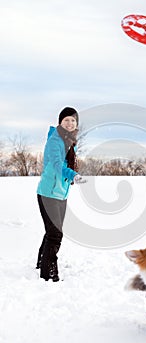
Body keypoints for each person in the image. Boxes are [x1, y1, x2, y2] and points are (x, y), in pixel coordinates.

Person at [36, 107, 82, 282]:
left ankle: (42, 262)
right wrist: (73, 175)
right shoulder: (55, 141)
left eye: (73, 120)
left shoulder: (69, 140)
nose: (70, 123)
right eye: (66, 120)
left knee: (52, 233)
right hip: (48, 194)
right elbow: (57, 164)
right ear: (60, 122)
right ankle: (48, 273)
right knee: (55, 234)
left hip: (60, 194)